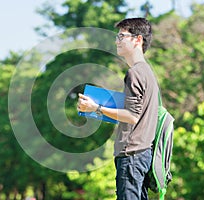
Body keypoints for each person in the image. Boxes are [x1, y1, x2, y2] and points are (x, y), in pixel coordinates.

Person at [77, 18, 159, 200]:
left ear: (138, 40)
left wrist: (96, 107)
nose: (117, 41)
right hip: (141, 154)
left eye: (122, 36)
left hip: (131, 155)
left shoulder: (135, 73)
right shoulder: (146, 72)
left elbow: (132, 116)